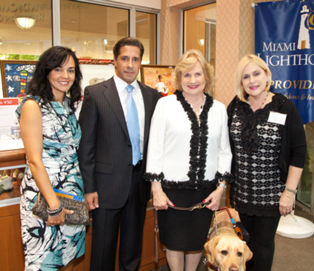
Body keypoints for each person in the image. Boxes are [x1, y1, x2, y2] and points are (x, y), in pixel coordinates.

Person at [145, 49, 232, 271]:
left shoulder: (220, 109)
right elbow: (155, 147)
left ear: (207, 78)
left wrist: (220, 190)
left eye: (197, 74)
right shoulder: (165, 106)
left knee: (196, 243)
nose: (192, 80)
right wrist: (157, 190)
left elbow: (225, 151)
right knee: (174, 243)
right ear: (179, 78)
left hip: (206, 193)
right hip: (172, 192)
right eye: (186, 75)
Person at [78, 37, 161, 271]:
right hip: (105, 186)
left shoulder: (152, 96)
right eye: (124, 58)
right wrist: (89, 187)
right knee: (103, 251)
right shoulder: (95, 93)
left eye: (135, 59)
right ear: (114, 61)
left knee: (132, 251)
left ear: (141, 63)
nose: (130, 65)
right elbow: (86, 146)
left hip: (139, 184)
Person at [227, 54, 307, 271]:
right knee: (245, 243)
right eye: (246, 76)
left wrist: (289, 192)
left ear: (266, 75)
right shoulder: (235, 106)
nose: (252, 80)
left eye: (256, 73)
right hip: (242, 193)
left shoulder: (284, 107)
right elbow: (225, 146)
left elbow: (299, 153)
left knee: (263, 245)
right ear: (240, 82)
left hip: (272, 194)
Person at [16, 46, 85, 270]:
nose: (66, 76)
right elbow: (34, 161)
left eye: (71, 70)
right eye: (58, 69)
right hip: (44, 197)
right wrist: (54, 206)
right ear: (46, 72)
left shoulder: (68, 105)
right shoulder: (32, 106)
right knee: (44, 262)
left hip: (72, 194)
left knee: (68, 256)